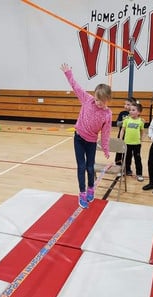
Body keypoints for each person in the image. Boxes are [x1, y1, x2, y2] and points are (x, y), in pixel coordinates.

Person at [60, 63, 112, 209]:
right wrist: (68, 73)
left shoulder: (107, 114)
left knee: (90, 167)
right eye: (96, 100)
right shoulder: (87, 100)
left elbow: (106, 133)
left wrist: (106, 148)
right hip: (79, 138)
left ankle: (91, 188)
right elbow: (75, 86)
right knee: (81, 166)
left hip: (91, 142)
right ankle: (82, 193)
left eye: (101, 101)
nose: (98, 103)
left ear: (108, 99)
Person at [119, 101, 144, 181]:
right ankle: (126, 170)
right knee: (126, 158)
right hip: (127, 143)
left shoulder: (140, 121)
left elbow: (142, 131)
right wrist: (120, 139)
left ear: (139, 112)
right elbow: (122, 130)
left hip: (136, 143)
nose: (131, 111)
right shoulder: (126, 120)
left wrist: (141, 139)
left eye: (133, 110)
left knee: (137, 159)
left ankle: (139, 174)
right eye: (130, 110)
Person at [114, 97, 135, 165]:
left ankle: (127, 167)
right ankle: (118, 165)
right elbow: (117, 124)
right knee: (119, 151)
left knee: (128, 152)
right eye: (125, 104)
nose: (126, 106)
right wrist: (124, 121)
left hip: (130, 137)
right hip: (121, 136)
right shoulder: (122, 113)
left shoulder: (135, 114)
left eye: (128, 104)